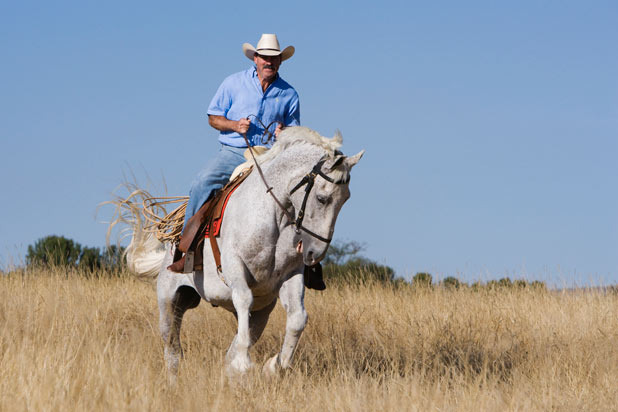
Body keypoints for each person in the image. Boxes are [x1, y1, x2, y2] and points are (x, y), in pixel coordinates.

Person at [183, 33, 300, 230]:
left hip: (269, 156)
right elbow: (213, 118)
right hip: (233, 153)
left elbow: (294, 131)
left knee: (298, 191)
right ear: (255, 58)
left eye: (273, 58)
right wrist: (235, 125)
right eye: (264, 57)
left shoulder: (290, 94)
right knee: (202, 182)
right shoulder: (233, 83)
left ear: (280, 60)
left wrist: (284, 133)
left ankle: (302, 249)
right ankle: (184, 246)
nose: (269, 62)